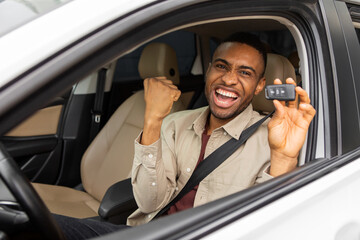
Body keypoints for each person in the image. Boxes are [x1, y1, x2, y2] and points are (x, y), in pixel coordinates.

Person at [54, 32, 316, 238]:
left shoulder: (273, 140)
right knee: (38, 225)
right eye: (221, 67)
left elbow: (267, 226)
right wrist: (153, 119)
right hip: (146, 232)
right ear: (209, 70)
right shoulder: (175, 124)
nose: (228, 79)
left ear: (260, 85)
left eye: (245, 73)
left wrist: (282, 156)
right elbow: (148, 202)